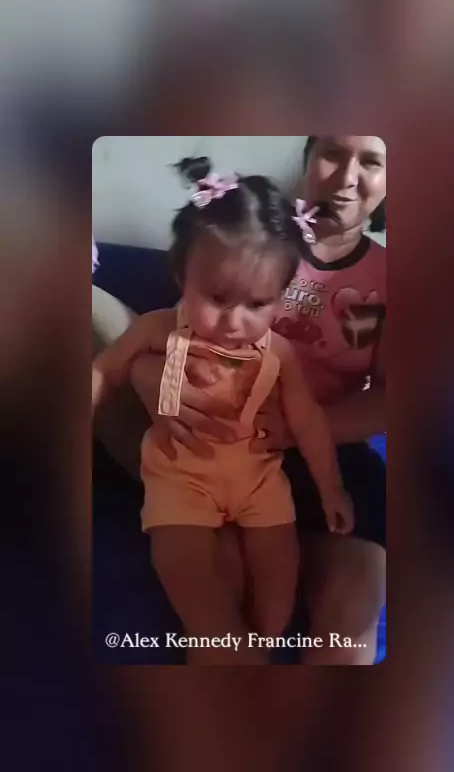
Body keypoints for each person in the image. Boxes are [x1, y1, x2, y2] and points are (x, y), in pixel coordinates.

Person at [128, 136, 386, 664]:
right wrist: (146, 374)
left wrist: (300, 430)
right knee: (216, 573)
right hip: (220, 441)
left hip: (327, 444)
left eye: (372, 162)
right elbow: (179, 331)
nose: (346, 177)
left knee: (355, 593)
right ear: (308, 158)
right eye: (333, 154)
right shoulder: (245, 229)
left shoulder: (396, 276)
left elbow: (397, 398)